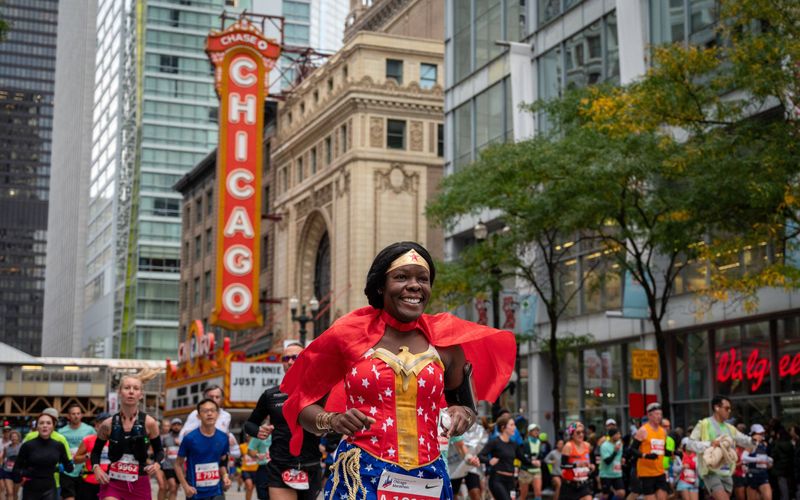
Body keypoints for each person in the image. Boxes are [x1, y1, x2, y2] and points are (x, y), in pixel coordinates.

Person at [280, 242, 517, 500]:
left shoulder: (446, 346)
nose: (415, 285)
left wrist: (462, 414)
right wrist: (333, 421)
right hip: (361, 478)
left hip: (428, 479)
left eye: (423, 279)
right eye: (402, 277)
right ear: (381, 285)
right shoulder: (347, 336)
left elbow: (465, 407)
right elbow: (302, 406)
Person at [245, 342, 320, 500]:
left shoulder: (319, 391)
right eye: (286, 358)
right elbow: (249, 424)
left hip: (310, 465)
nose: (290, 362)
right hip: (280, 466)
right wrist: (258, 431)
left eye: (296, 357)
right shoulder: (271, 395)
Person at [90, 369, 164, 500]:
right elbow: (95, 452)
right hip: (113, 481)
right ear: (119, 392)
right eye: (127, 388)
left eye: (135, 389)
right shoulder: (107, 424)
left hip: (139, 481)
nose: (131, 391)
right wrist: (96, 468)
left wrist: (157, 464)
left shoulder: (150, 423)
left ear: (140, 395)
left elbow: (159, 451)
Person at [686, 395, 755, 500]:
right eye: (727, 408)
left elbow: (744, 440)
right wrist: (709, 444)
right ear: (717, 408)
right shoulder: (704, 424)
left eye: (730, 409)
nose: (729, 411)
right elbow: (690, 444)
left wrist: (755, 440)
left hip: (727, 473)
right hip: (711, 472)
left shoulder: (730, 428)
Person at [175, 398, 232, 500]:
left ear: (217, 414)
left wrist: (225, 477)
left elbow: (222, 462)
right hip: (195, 492)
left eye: (212, 410)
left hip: (217, 491)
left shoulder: (223, 437)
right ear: (198, 416)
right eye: (205, 411)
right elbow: (178, 464)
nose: (209, 414)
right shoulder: (189, 438)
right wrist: (185, 486)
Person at [13, 411, 73, 500]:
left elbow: (69, 468)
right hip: (31, 489)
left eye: (48, 423)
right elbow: (16, 470)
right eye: (41, 423)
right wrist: (25, 474)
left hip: (50, 489)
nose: (45, 425)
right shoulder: (27, 445)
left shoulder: (58, 445)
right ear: (37, 426)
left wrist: (64, 466)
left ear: (53, 426)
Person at [472, 415, 531, 500]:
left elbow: (522, 458)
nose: (514, 427)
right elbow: (480, 456)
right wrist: (489, 461)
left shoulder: (514, 444)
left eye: (514, 425)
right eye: (511, 425)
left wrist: (534, 462)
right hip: (497, 480)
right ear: (503, 427)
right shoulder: (495, 442)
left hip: (511, 481)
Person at [631, 403, 672, 500]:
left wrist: (672, 452)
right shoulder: (643, 430)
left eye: (660, 414)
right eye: (657, 414)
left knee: (663, 498)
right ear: (649, 415)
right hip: (646, 473)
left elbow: (663, 449)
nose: (659, 417)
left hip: (660, 471)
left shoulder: (663, 431)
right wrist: (646, 455)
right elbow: (632, 449)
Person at [57, 404, 95, 500]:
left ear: (81, 415)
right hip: (67, 471)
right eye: (73, 414)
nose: (76, 416)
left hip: (83, 471)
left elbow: (95, 446)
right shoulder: (61, 431)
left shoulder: (90, 430)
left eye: (78, 413)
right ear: (68, 416)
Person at [72, 412, 111, 500]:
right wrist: (87, 456)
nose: (105, 425)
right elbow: (75, 459)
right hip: (89, 483)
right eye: (101, 422)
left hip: (110, 482)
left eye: (107, 423)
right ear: (96, 425)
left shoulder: (116, 441)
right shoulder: (88, 440)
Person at [742, 424, 772, 500]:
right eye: (759, 433)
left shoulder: (764, 444)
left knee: (768, 498)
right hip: (752, 474)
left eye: (762, 433)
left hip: (763, 474)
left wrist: (769, 460)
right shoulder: (751, 444)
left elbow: (764, 457)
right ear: (753, 434)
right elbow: (743, 457)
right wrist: (757, 460)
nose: (761, 435)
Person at [520, 423, 545, 500]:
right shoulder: (525, 443)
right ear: (529, 432)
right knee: (524, 494)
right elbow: (521, 456)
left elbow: (541, 455)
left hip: (536, 470)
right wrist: (531, 461)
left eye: (538, 430)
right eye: (534, 430)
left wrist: (540, 461)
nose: (537, 432)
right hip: (525, 471)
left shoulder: (539, 442)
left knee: (538, 493)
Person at [159, 418, 182, 500]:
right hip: (168, 466)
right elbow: (159, 450)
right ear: (172, 427)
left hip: (180, 467)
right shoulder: (166, 437)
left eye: (178, 425)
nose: (176, 427)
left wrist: (181, 444)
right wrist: (164, 452)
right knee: (172, 486)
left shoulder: (184, 437)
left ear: (181, 426)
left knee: (175, 489)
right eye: (174, 425)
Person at [599, 427, 624, 500]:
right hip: (606, 474)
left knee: (621, 493)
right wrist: (615, 452)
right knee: (605, 496)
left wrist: (622, 459)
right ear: (612, 436)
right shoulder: (604, 446)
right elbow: (607, 461)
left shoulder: (620, 443)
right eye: (617, 434)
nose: (619, 435)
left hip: (617, 473)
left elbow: (620, 456)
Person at [244, 434, 270, 500]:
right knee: (250, 487)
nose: (248, 437)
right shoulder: (243, 446)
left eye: (249, 435)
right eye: (247, 436)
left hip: (277, 467)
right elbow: (248, 452)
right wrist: (257, 455)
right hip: (255, 469)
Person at [1, 430, 21, 500]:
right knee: (10, 492)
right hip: (7, 471)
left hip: (18, 472)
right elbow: (3, 458)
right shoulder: (6, 447)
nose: (14, 438)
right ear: (10, 438)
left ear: (18, 438)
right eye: (12, 437)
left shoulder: (22, 447)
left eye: (15, 437)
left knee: (15, 493)